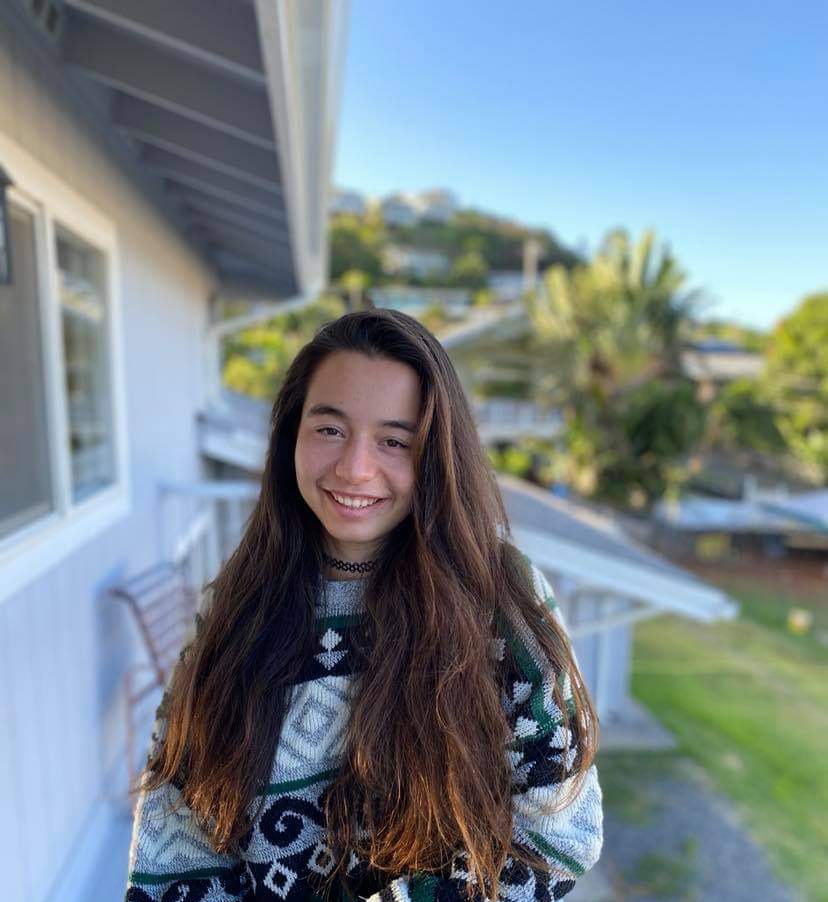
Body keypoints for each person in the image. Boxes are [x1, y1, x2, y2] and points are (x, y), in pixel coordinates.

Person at [124, 308, 603, 902]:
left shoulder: (502, 597)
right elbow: (175, 825)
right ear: (291, 435)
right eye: (330, 429)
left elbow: (557, 831)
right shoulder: (235, 602)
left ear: (437, 456)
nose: (354, 469)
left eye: (395, 441)